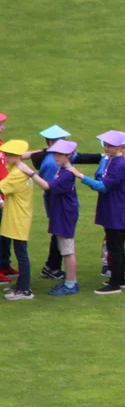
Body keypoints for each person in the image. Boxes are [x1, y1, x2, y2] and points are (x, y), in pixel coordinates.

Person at [29, 125, 113, 281]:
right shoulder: (53, 164)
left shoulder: (53, 158)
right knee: (60, 236)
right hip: (59, 205)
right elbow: (50, 188)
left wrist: (105, 155)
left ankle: (51, 267)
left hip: (60, 203)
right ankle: (53, 268)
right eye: (64, 140)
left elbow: (80, 157)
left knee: (58, 234)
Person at [85, 131, 125, 295]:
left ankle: (115, 283)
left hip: (114, 209)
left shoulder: (117, 164)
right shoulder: (117, 161)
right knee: (117, 245)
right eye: (105, 145)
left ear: (120, 147)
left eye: (110, 145)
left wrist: (80, 176)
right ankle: (119, 279)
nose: (106, 148)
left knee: (115, 246)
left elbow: (103, 186)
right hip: (116, 208)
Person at [33, 139, 85, 296]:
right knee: (64, 248)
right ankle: (70, 282)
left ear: (69, 155)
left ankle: (70, 284)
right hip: (62, 213)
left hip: (65, 214)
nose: (56, 156)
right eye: (55, 153)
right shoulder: (61, 169)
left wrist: (30, 174)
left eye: (60, 154)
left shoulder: (67, 174)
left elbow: (48, 187)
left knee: (68, 250)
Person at [92, 137, 125, 279]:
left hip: (123, 203)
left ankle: (116, 267)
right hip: (113, 204)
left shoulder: (122, 160)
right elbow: (100, 182)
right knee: (112, 236)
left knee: (121, 235)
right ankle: (108, 266)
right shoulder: (107, 162)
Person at [0, 139, 36, 300]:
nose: (5, 157)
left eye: (8, 155)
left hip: (17, 218)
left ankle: (24, 289)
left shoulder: (16, 174)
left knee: (21, 254)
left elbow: (2, 186)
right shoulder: (19, 169)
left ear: (15, 156)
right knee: (20, 252)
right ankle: (21, 286)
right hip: (19, 216)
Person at [0, 112, 14, 284]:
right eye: (0, 125)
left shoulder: (1, 145)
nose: (3, 128)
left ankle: (4, 264)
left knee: (5, 232)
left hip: (5, 194)